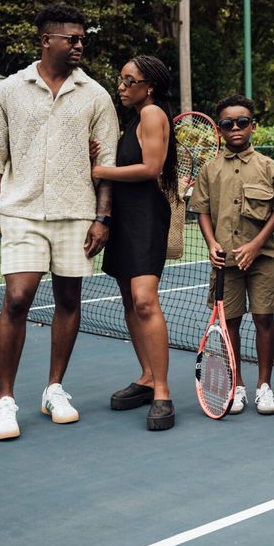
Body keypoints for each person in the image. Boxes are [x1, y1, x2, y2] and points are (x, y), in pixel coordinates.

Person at [0, 3, 119, 441]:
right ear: (46, 40)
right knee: (18, 298)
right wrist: (2, 203)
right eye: (71, 39)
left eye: (82, 39)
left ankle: (54, 388)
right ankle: (5, 401)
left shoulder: (96, 95)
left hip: (77, 213)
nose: (78, 46)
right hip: (22, 213)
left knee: (69, 299)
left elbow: (106, 162)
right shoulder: (10, 90)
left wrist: (102, 217)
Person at [90, 56, 178, 432]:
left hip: (145, 215)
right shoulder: (132, 120)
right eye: (120, 79)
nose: (122, 86)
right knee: (129, 298)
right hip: (125, 216)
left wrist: (99, 169)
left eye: (130, 80)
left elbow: (151, 167)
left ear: (150, 87)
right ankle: (145, 377)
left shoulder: (153, 113)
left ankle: (162, 392)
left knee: (144, 298)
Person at [190, 94, 274, 415]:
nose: (236, 128)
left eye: (242, 122)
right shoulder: (209, 169)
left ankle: (264, 387)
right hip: (225, 264)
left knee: (263, 318)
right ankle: (238, 386)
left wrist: (257, 244)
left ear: (252, 127)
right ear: (219, 130)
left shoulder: (268, 167)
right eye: (228, 123)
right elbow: (202, 210)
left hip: (261, 260)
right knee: (229, 322)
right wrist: (211, 243)